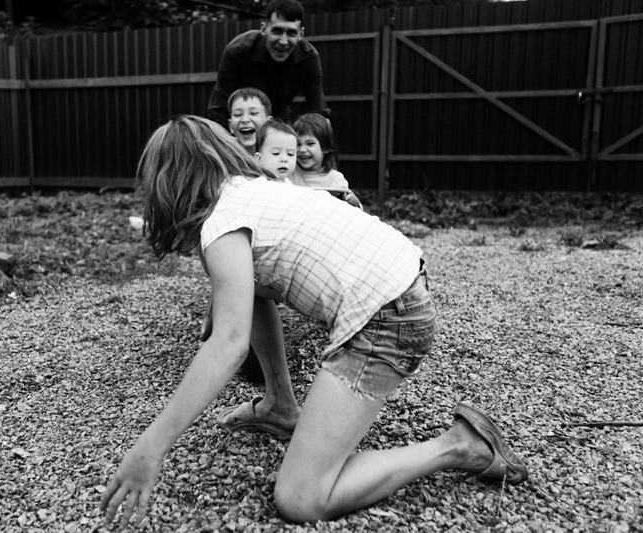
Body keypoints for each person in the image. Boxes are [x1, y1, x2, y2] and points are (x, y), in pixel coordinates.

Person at [99, 115, 528, 528]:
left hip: (388, 318)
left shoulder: (222, 223)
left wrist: (151, 446)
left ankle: (460, 446)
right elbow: (247, 298)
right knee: (253, 289)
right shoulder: (253, 190)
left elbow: (228, 344)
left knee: (301, 498)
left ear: (168, 184)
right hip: (401, 289)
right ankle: (280, 406)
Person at [207, 0, 329, 126]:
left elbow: (319, 113)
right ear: (264, 29)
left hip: (278, 120)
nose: (283, 41)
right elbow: (220, 109)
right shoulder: (237, 52)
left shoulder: (309, 58)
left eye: (291, 33)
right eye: (277, 31)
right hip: (240, 122)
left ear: (301, 34)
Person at [293, 112, 361, 208]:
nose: (302, 150)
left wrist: (355, 204)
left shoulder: (335, 180)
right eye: (298, 144)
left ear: (325, 147)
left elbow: (347, 212)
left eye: (310, 143)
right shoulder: (289, 174)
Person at [227, 87, 272, 156]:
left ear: (269, 123)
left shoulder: (282, 157)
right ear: (231, 126)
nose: (245, 120)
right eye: (238, 114)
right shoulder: (223, 159)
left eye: (253, 113)